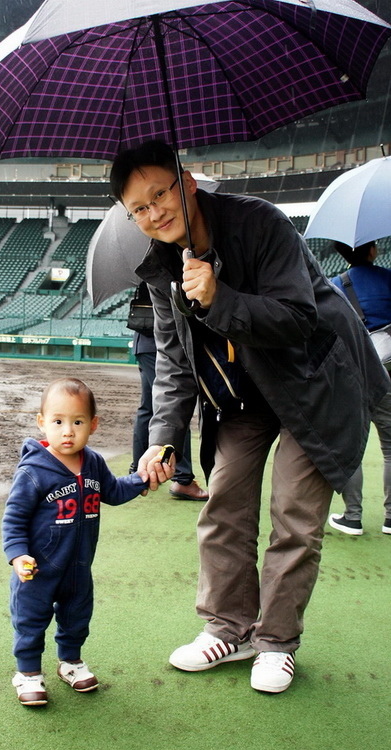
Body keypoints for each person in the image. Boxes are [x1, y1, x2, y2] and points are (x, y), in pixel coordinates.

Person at [110, 139, 390, 694]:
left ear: (186, 183)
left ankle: (277, 641)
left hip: (314, 383)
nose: (153, 213)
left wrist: (220, 298)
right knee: (225, 504)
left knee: (294, 512)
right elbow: (173, 361)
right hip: (240, 398)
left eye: (159, 193)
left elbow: (297, 315)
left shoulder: (261, 223)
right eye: (137, 208)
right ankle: (230, 627)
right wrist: (163, 440)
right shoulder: (162, 270)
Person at [2, 376, 149, 706]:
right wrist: (17, 555)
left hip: (79, 564)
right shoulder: (33, 471)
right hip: (38, 569)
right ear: (42, 423)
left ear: (93, 425)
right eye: (58, 421)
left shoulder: (93, 463)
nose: (67, 431)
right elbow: (13, 519)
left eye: (77, 422)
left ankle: (70, 662)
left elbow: (112, 491)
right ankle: (27, 673)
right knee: (30, 619)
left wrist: (142, 480)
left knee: (77, 615)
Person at [329, 240, 391, 536]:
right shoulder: (387, 278)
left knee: (352, 445)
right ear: (371, 250)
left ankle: (352, 517)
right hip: (388, 369)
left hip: (353, 372)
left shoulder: (334, 285)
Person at [130, 281, 208, 502]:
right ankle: (182, 479)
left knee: (148, 408)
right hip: (159, 345)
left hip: (144, 344)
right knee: (173, 406)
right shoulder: (162, 272)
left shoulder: (147, 269)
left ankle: (139, 470)